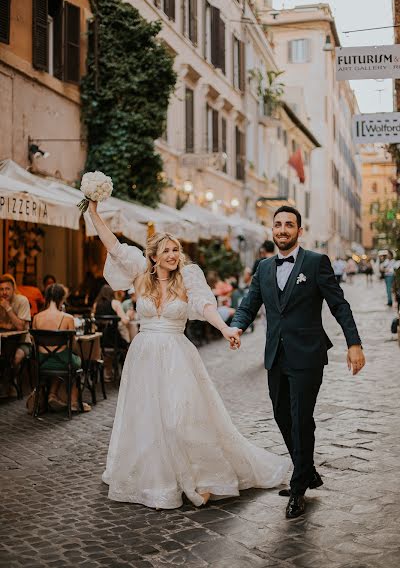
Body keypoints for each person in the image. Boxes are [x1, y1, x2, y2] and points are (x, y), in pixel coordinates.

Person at [88, 200, 290, 510]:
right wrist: (93, 213)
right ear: (154, 256)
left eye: (175, 249)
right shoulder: (140, 276)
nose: (172, 255)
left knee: (180, 417)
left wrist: (226, 329)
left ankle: (202, 476)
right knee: (146, 417)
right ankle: (156, 478)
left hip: (176, 356)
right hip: (143, 356)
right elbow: (114, 246)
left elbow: (206, 307)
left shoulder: (189, 279)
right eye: (166, 250)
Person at [229, 206, 365, 519]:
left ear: (298, 231)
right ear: (272, 230)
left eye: (289, 224)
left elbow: (338, 305)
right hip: (276, 356)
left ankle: (299, 486)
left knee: (301, 418)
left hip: (307, 355)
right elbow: (249, 305)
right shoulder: (263, 268)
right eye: (278, 225)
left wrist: (354, 343)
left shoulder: (316, 263)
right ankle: (308, 470)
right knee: (281, 415)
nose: (283, 229)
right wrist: (236, 325)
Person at [32, 284, 91, 412]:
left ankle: (52, 395)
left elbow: (34, 343)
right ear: (62, 299)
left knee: (60, 360)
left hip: (42, 362)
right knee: (76, 361)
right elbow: (72, 345)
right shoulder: (68, 318)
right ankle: (74, 402)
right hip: (62, 360)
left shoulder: (36, 317)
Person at [0, 274, 31, 395]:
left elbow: (20, 327)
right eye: (1, 289)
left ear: (13, 289)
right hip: (3, 341)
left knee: (15, 358)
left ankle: (11, 382)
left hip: (22, 341)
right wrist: (7, 326)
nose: (4, 292)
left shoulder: (22, 300)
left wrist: (8, 308)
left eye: (7, 289)